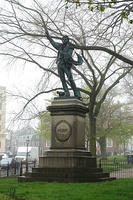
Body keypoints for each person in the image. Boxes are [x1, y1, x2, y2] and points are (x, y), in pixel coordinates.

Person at [45, 30, 83, 99]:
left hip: (66, 65)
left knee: (70, 79)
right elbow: (53, 43)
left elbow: (68, 55)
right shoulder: (60, 47)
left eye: (66, 39)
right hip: (59, 64)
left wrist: (63, 53)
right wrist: (49, 37)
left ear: (68, 40)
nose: (64, 40)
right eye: (63, 39)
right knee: (62, 80)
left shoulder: (70, 47)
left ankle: (77, 93)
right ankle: (67, 93)